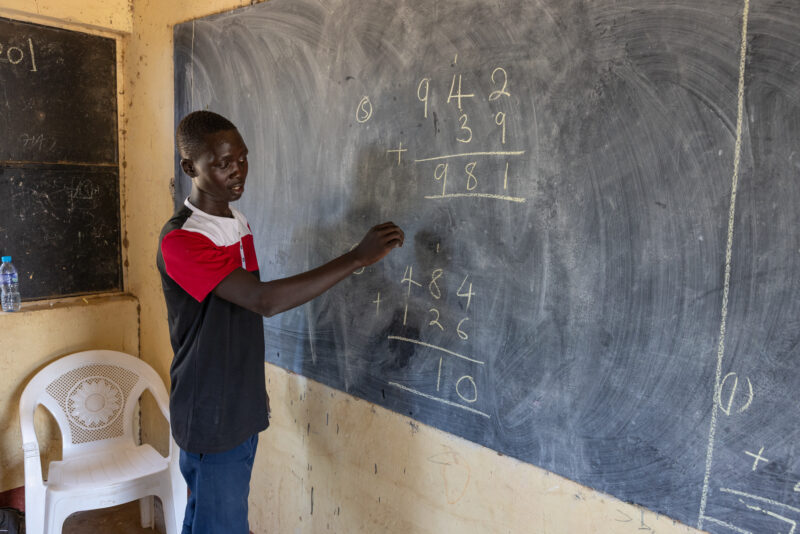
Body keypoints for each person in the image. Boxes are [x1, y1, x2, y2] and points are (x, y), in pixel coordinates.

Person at [156, 110, 404, 533]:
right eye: (221, 163)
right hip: (210, 411)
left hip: (239, 404)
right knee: (223, 526)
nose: (238, 171)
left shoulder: (238, 224)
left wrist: (252, 394)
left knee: (207, 518)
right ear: (188, 168)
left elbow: (241, 317)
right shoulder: (182, 240)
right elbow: (262, 300)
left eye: (242, 158)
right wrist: (357, 258)